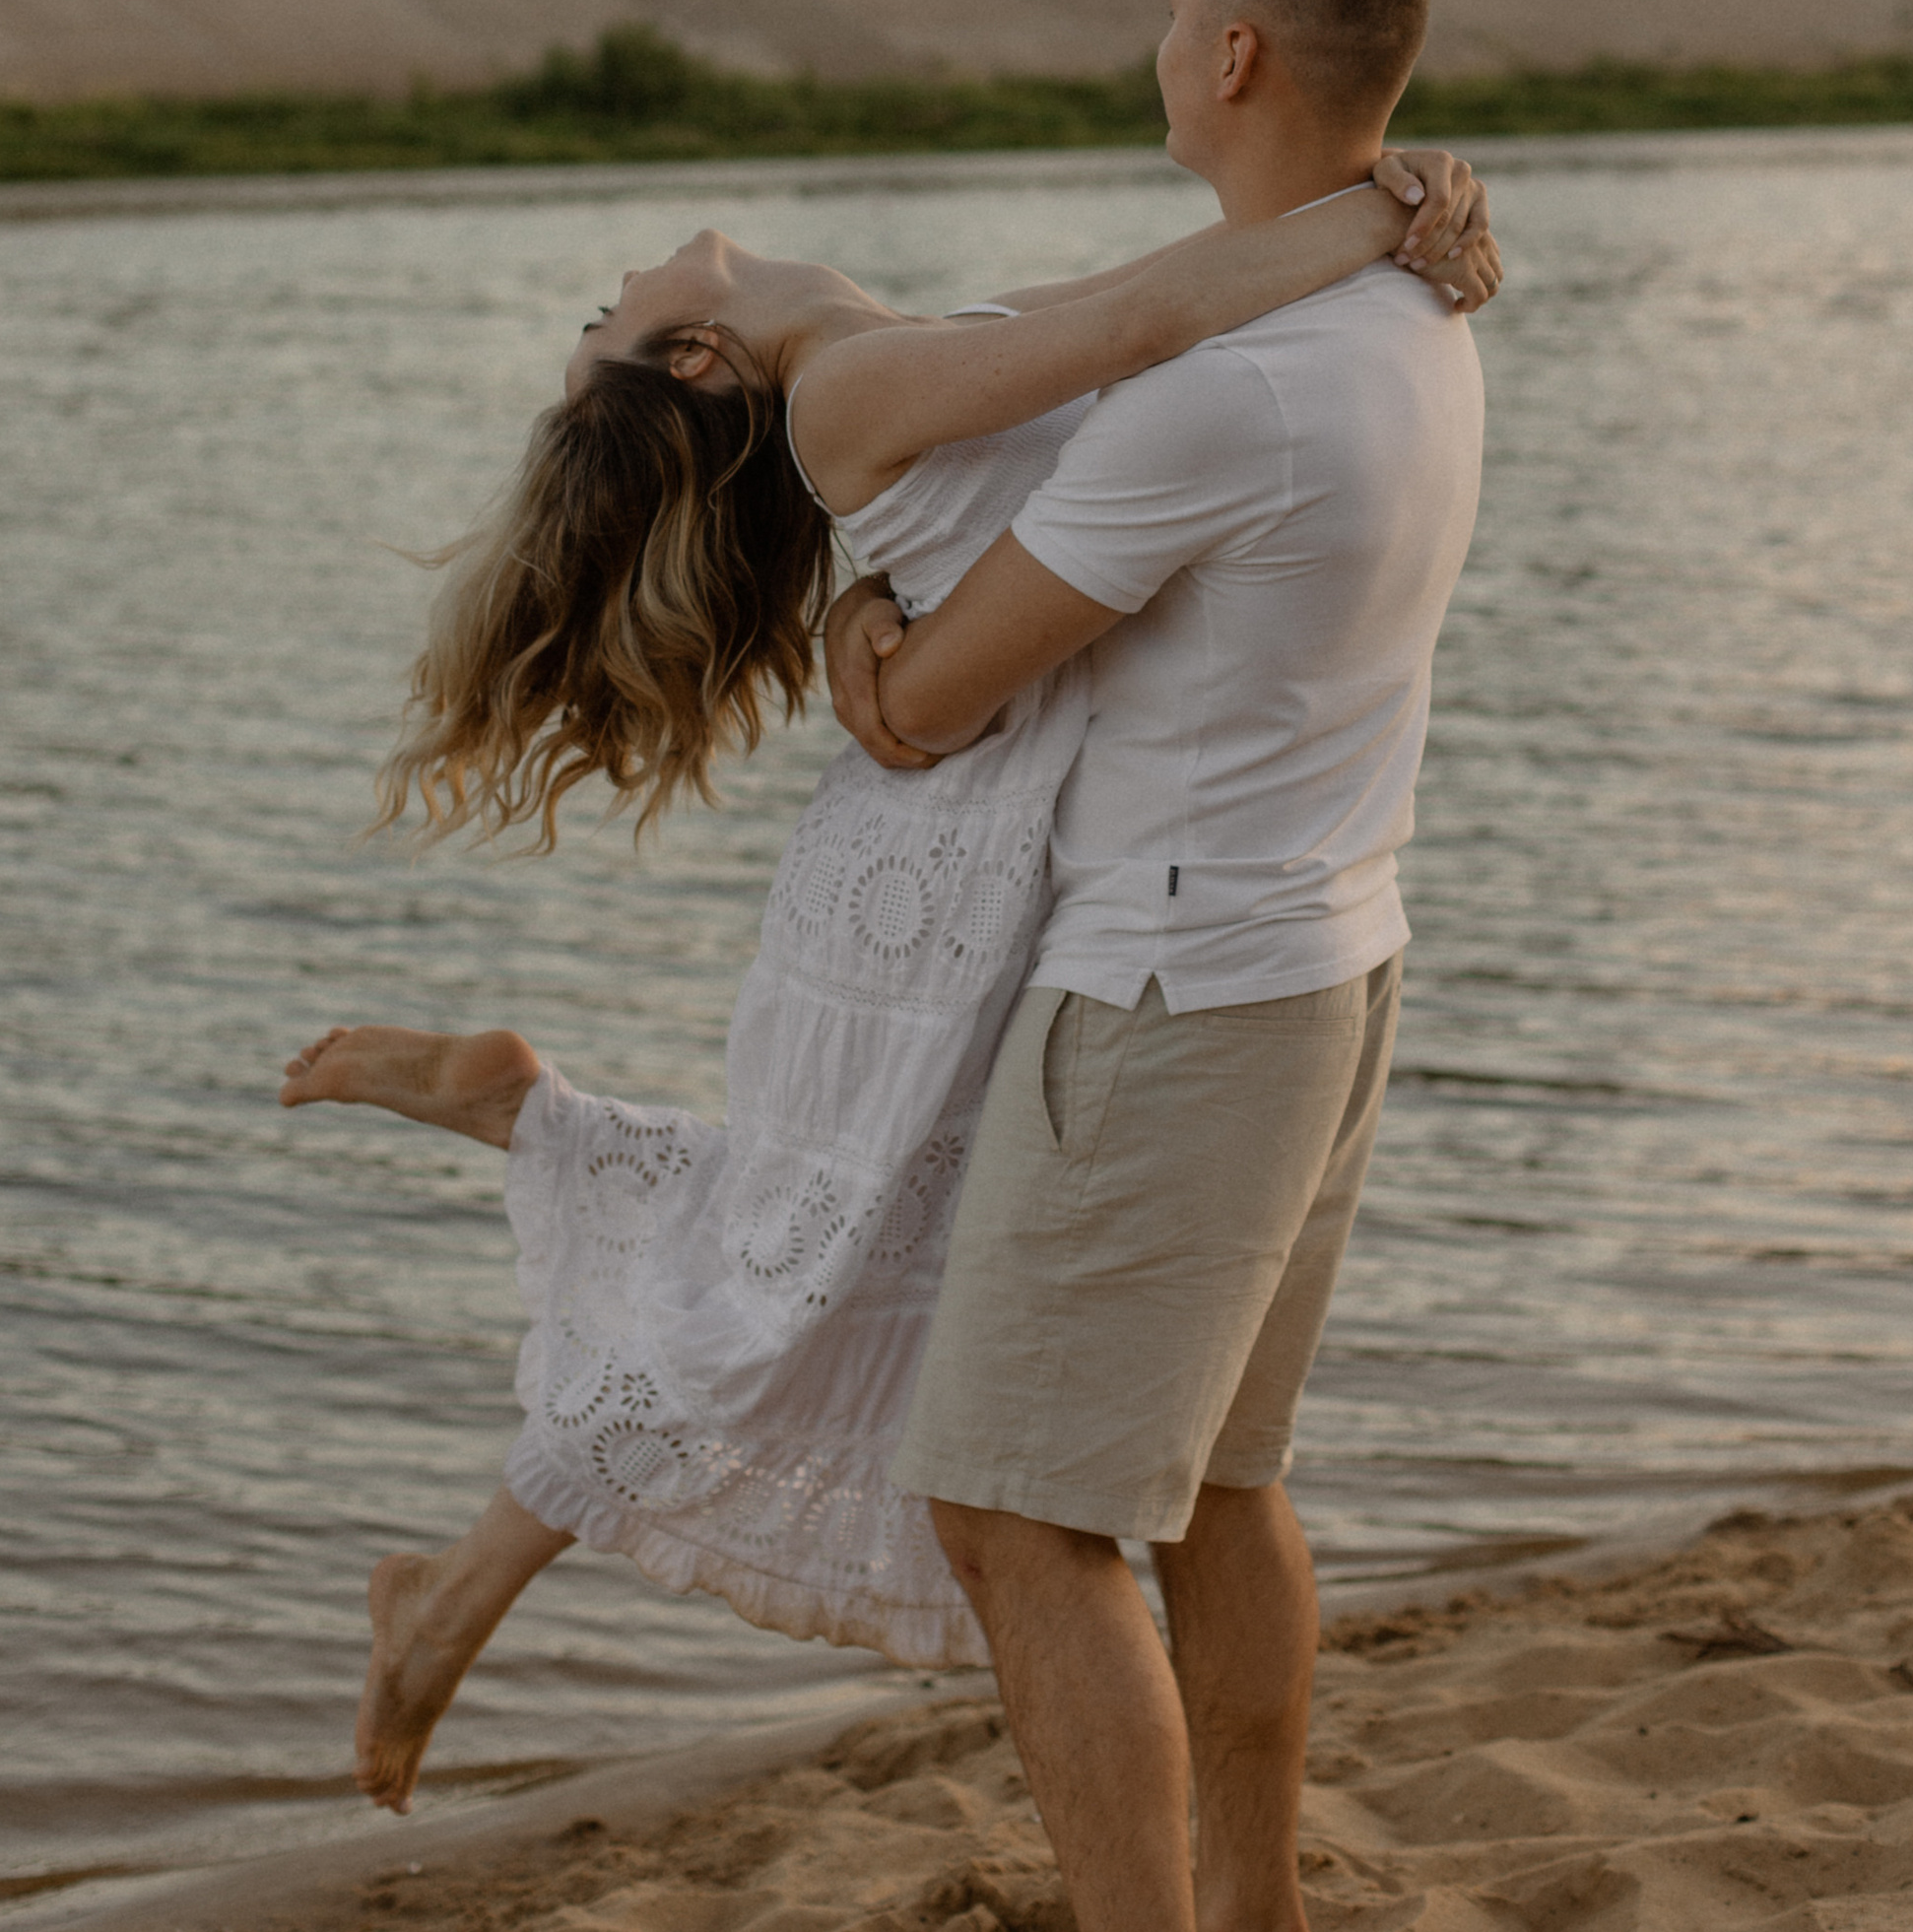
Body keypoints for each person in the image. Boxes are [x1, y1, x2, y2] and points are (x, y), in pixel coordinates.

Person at [281, 127, 1498, 1816]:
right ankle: (524, 1188)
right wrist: (1391, 209)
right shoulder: (840, 386)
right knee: (789, 1276)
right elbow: (1149, 322)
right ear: (697, 354)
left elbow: (1135, 318)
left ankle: (500, 1325)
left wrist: (1393, 198)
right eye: (603, 311)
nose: (622, 278)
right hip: (942, 878)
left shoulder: (867, 353)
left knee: (814, 1262)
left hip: (979, 856)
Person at [823, 0, 1487, 1932]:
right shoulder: (1415, 314)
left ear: (1231, 60)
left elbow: (923, 702)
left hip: (1175, 1004)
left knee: (1016, 1510)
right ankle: (1246, 1907)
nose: (1149, 27)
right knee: (1218, 1474)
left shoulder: (1227, 400)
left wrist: (840, 626)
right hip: (1328, 965)